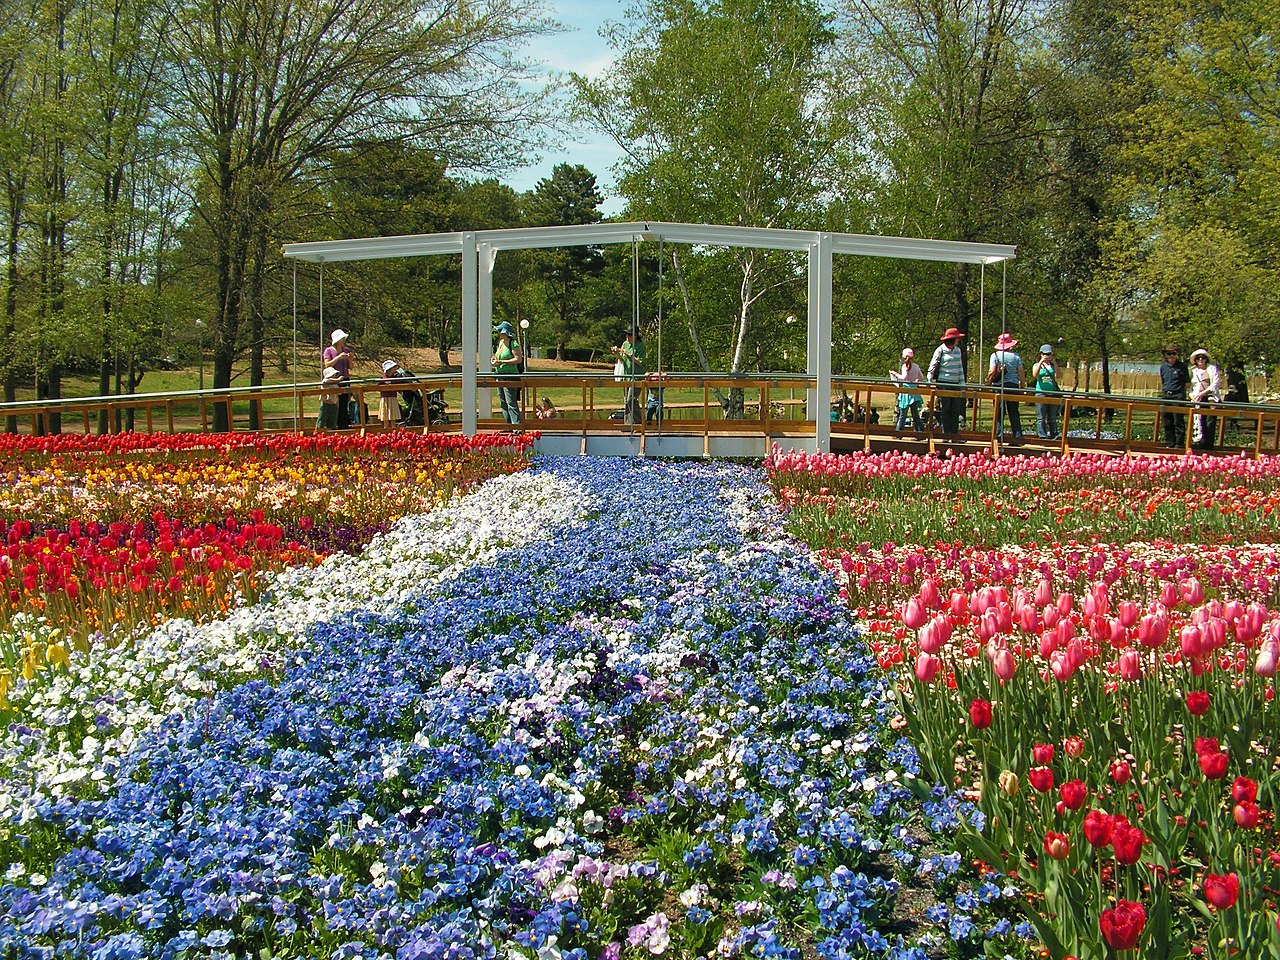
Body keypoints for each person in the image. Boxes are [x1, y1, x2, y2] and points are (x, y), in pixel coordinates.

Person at [927, 327, 966, 435]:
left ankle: (954, 434)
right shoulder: (940, 350)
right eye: (957, 338)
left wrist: (962, 384)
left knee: (955, 409)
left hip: (955, 383)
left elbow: (960, 368)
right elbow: (933, 365)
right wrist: (930, 381)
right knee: (946, 409)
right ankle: (946, 433)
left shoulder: (958, 350)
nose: (958, 340)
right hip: (943, 382)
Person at [491, 321, 524, 425]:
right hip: (499, 375)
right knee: (503, 402)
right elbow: (498, 357)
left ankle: (517, 426)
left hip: (510, 377)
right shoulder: (501, 343)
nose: (498, 333)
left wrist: (502, 362)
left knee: (511, 402)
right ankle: (508, 424)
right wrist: (495, 361)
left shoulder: (513, 343)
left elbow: (518, 360)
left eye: (500, 331)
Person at [1189, 348, 1222, 450]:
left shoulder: (1212, 369)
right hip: (1198, 399)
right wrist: (1192, 396)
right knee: (1199, 422)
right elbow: (1190, 386)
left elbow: (1215, 384)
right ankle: (1199, 446)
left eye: (1202, 358)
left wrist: (1203, 393)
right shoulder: (1192, 371)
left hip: (1210, 398)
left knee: (1210, 422)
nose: (1200, 360)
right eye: (1198, 358)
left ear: (1206, 359)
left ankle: (1209, 446)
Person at [1159, 345, 1190, 449]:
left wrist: (1180, 393)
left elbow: (1187, 383)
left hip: (1178, 395)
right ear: (1165, 355)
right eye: (1169, 354)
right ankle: (1169, 443)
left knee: (1178, 421)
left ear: (1177, 355)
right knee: (1166, 420)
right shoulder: (1163, 367)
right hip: (1166, 394)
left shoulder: (1182, 367)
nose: (1171, 356)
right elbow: (1163, 381)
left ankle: (1179, 444)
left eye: (1173, 353)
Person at [613, 330, 645, 425]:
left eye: (630, 335)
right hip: (626, 376)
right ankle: (628, 423)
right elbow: (622, 359)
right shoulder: (625, 344)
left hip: (637, 377)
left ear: (635, 336)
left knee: (631, 399)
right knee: (626, 401)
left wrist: (628, 354)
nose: (627, 336)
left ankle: (638, 423)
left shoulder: (641, 346)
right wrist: (617, 353)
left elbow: (640, 362)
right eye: (626, 334)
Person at [322, 329, 353, 429]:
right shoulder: (328, 351)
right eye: (342, 338)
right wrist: (338, 357)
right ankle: (332, 424)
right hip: (334, 379)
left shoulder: (346, 350)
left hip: (345, 379)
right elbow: (327, 364)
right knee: (334, 402)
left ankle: (343, 424)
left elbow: (351, 367)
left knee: (344, 402)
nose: (344, 340)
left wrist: (350, 359)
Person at [889, 347, 925, 432]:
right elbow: (921, 378)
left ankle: (899, 431)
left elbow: (903, 378)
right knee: (915, 414)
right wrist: (915, 381)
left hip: (906, 391)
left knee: (902, 413)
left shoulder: (904, 366)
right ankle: (920, 431)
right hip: (914, 391)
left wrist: (895, 374)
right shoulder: (916, 366)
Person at [1032, 343, 1062, 440]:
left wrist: (1055, 363)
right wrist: (1041, 362)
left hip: (1052, 393)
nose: (1047, 356)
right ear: (1041, 354)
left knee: (1052, 417)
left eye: (1049, 354)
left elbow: (1059, 375)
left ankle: (1054, 434)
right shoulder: (1037, 365)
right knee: (1041, 416)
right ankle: (1042, 435)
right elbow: (1035, 375)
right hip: (1041, 393)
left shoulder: (1053, 366)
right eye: (1045, 354)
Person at [316, 366, 342, 430]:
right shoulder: (325, 382)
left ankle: (331, 435)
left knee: (332, 422)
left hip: (334, 404)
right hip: (326, 404)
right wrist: (338, 380)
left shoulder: (335, 385)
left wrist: (337, 405)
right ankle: (318, 432)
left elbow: (337, 395)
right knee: (321, 421)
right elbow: (326, 381)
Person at [378, 360, 402, 428]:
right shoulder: (383, 378)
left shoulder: (395, 378)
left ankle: (393, 429)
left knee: (393, 416)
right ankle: (386, 430)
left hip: (393, 397)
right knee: (385, 416)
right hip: (385, 399)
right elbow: (379, 387)